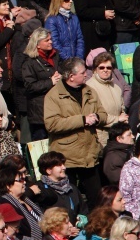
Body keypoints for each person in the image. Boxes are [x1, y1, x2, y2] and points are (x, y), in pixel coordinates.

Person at [45, 57, 107, 208]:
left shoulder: (90, 92)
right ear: (71, 76)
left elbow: (103, 114)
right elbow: (52, 124)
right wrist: (82, 120)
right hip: (67, 156)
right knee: (70, 200)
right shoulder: (53, 96)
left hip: (89, 153)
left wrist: (97, 118)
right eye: (83, 72)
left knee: (96, 198)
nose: (87, 75)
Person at [21, 27, 60, 141]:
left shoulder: (55, 55)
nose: (51, 42)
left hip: (55, 107)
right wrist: (50, 82)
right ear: (37, 44)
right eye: (47, 40)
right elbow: (29, 86)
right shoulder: (29, 62)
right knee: (41, 143)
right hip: (39, 111)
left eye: (50, 39)